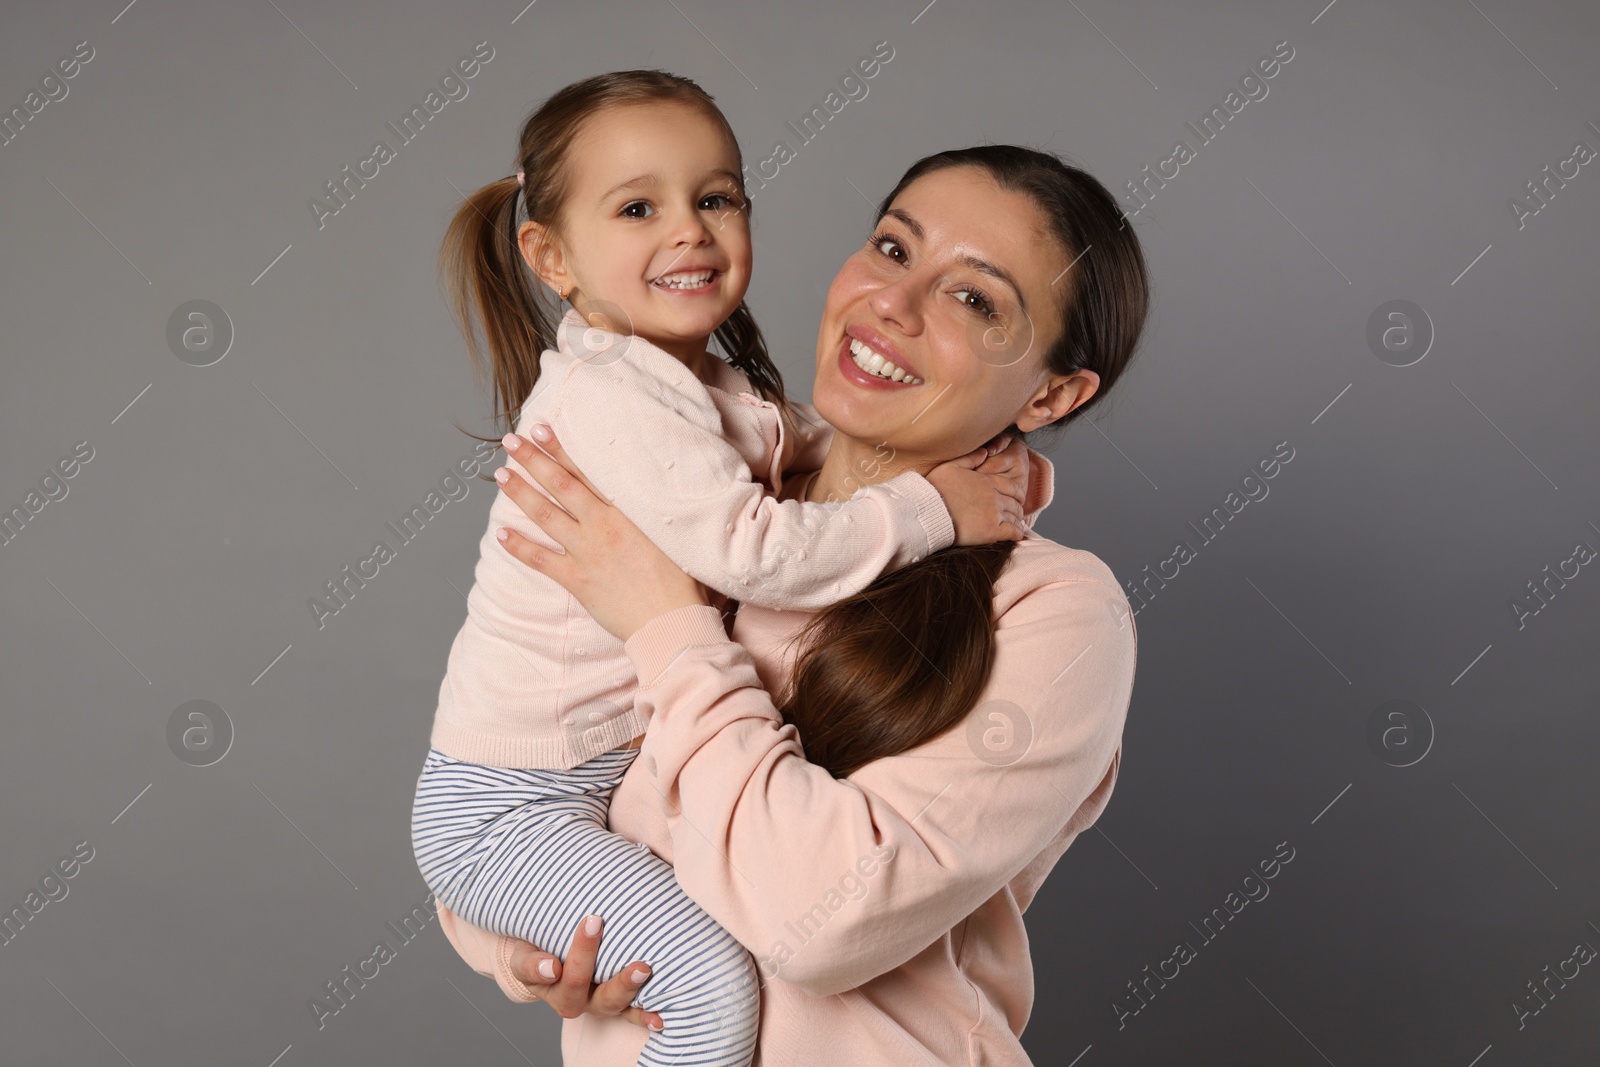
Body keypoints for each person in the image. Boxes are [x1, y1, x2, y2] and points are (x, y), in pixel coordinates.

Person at [434, 144, 1152, 1065]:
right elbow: (531, 790)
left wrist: (670, 627)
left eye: (973, 298)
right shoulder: (703, 495)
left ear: (1053, 391)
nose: (892, 302)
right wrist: (536, 949)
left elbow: (821, 921)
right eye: (894, 250)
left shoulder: (1060, 613)